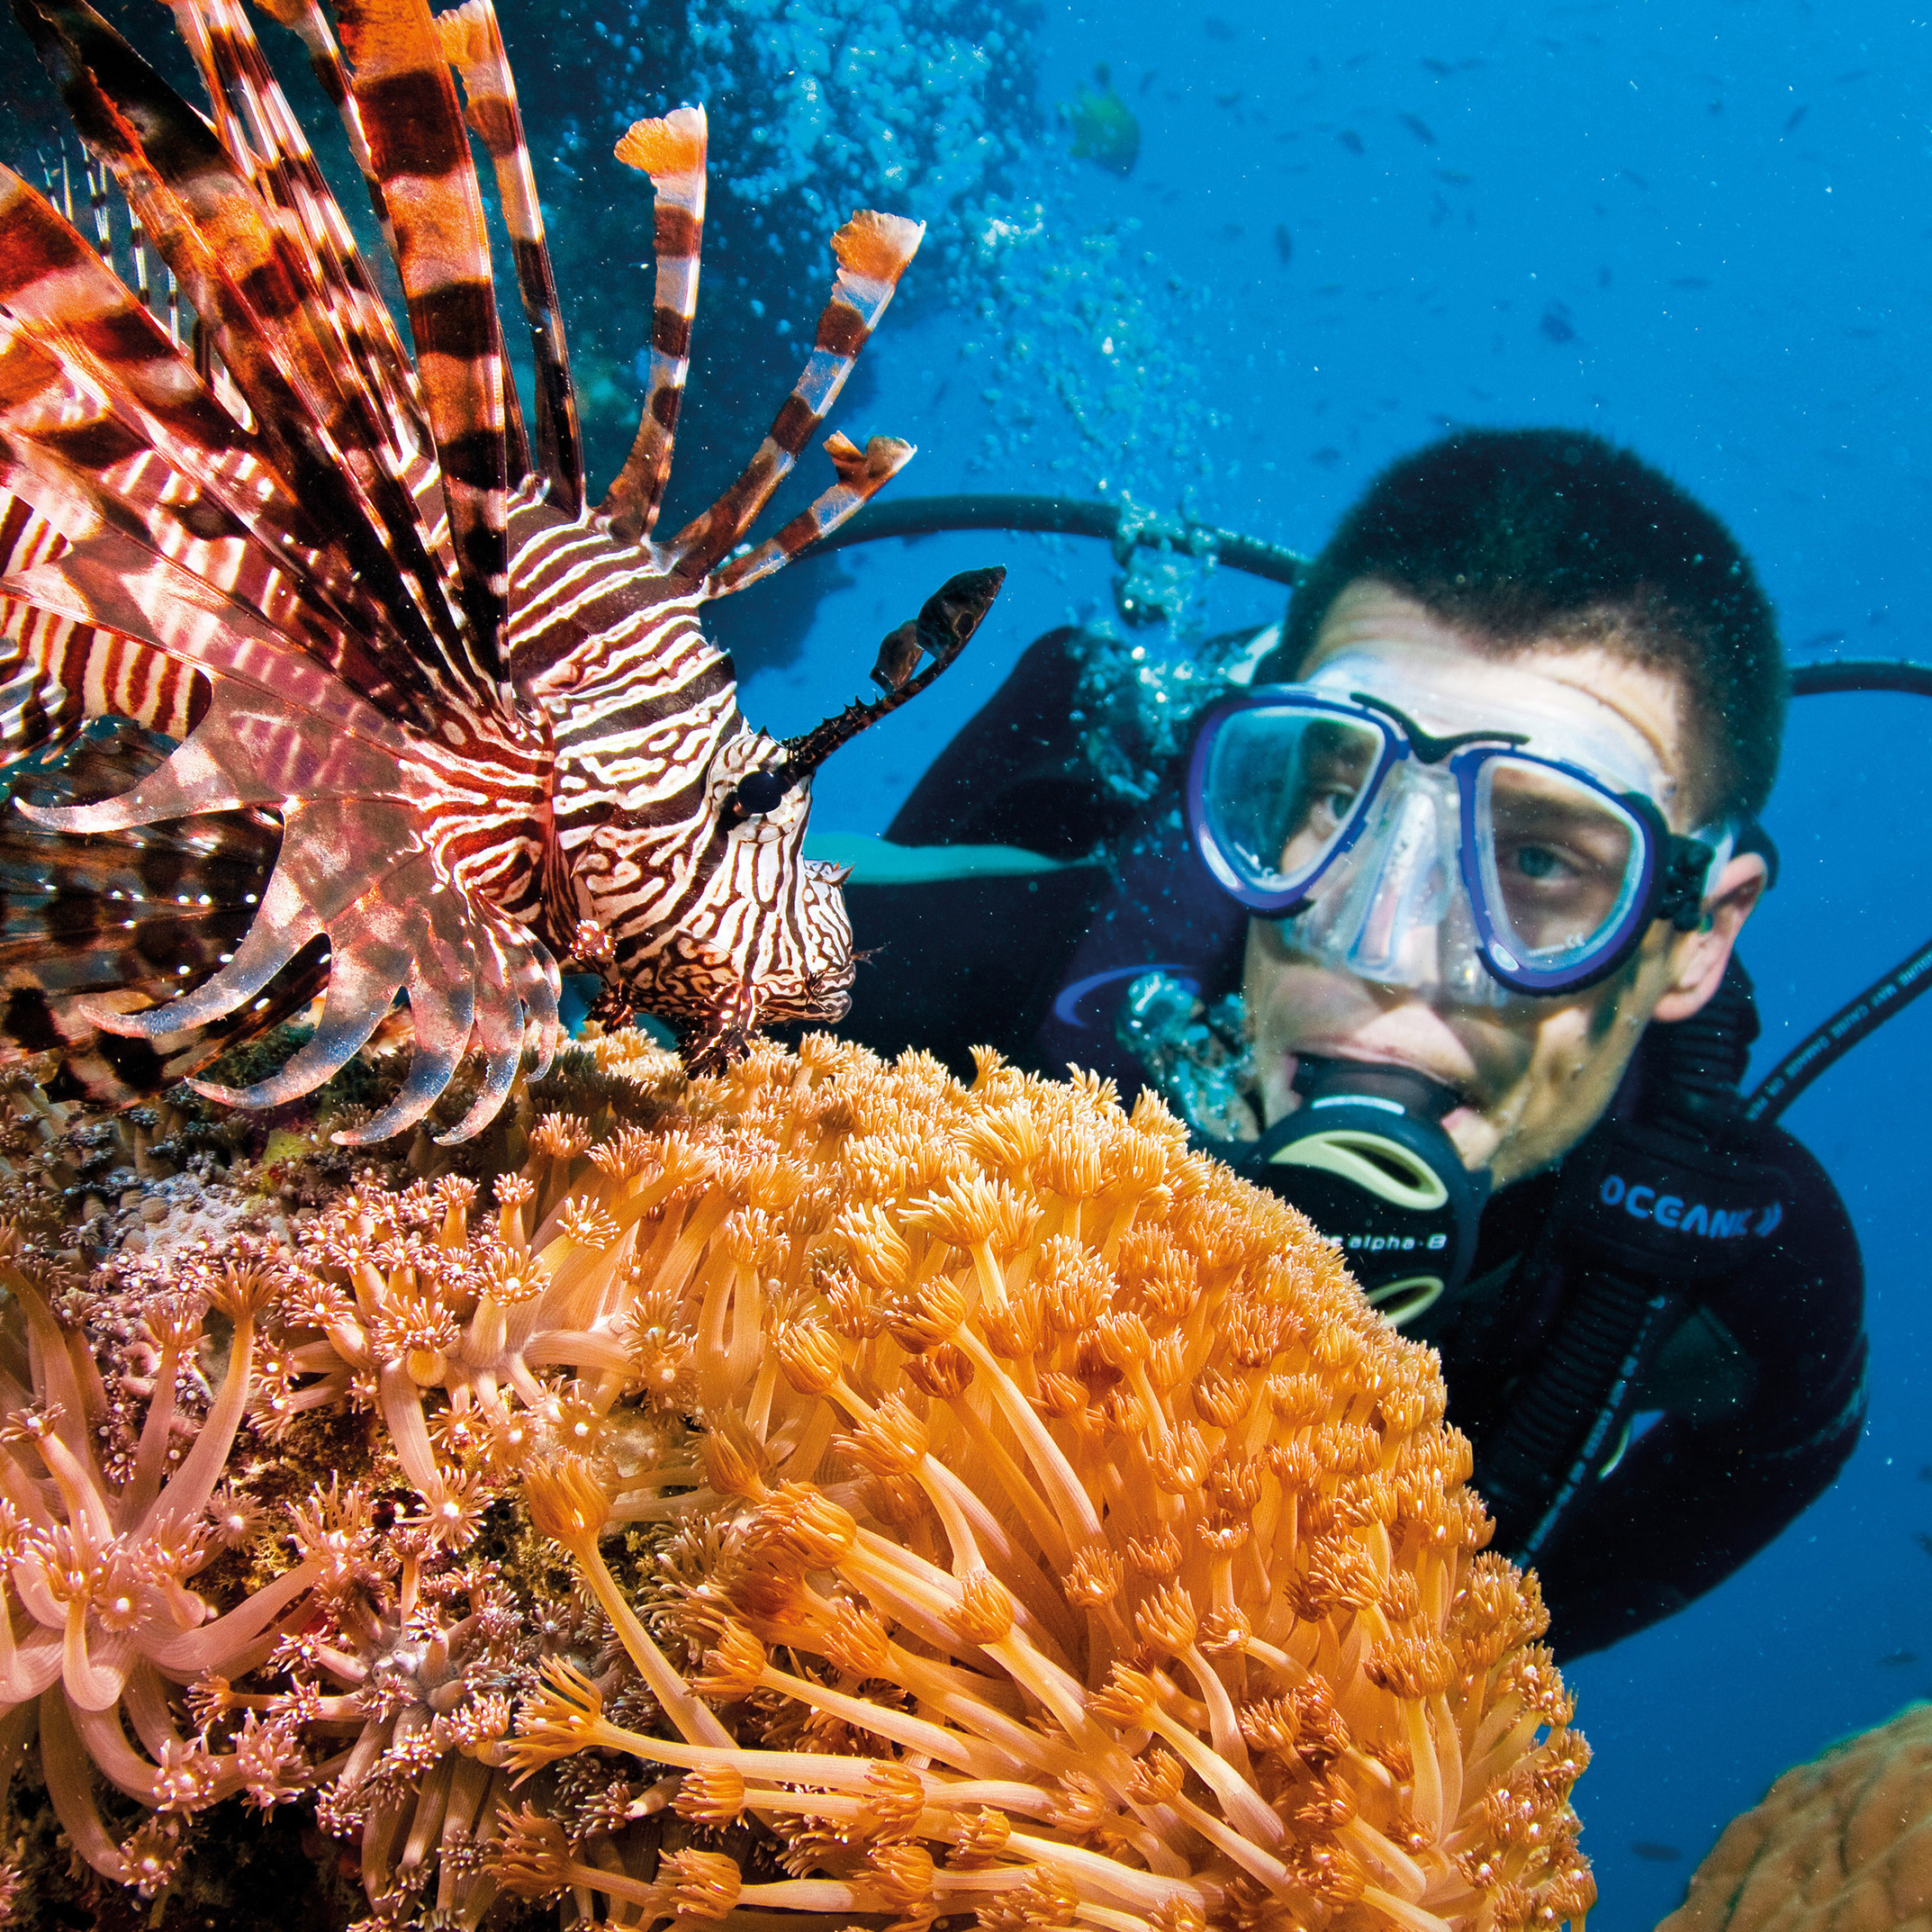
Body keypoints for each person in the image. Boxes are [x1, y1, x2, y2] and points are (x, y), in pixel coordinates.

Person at [835, 428, 1868, 1660]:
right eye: (1338, 799)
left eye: (1536, 858)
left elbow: (1784, 1443)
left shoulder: (1724, 1241)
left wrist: (1455, 1661)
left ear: (1694, 934)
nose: (1386, 949)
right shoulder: (1015, 980)